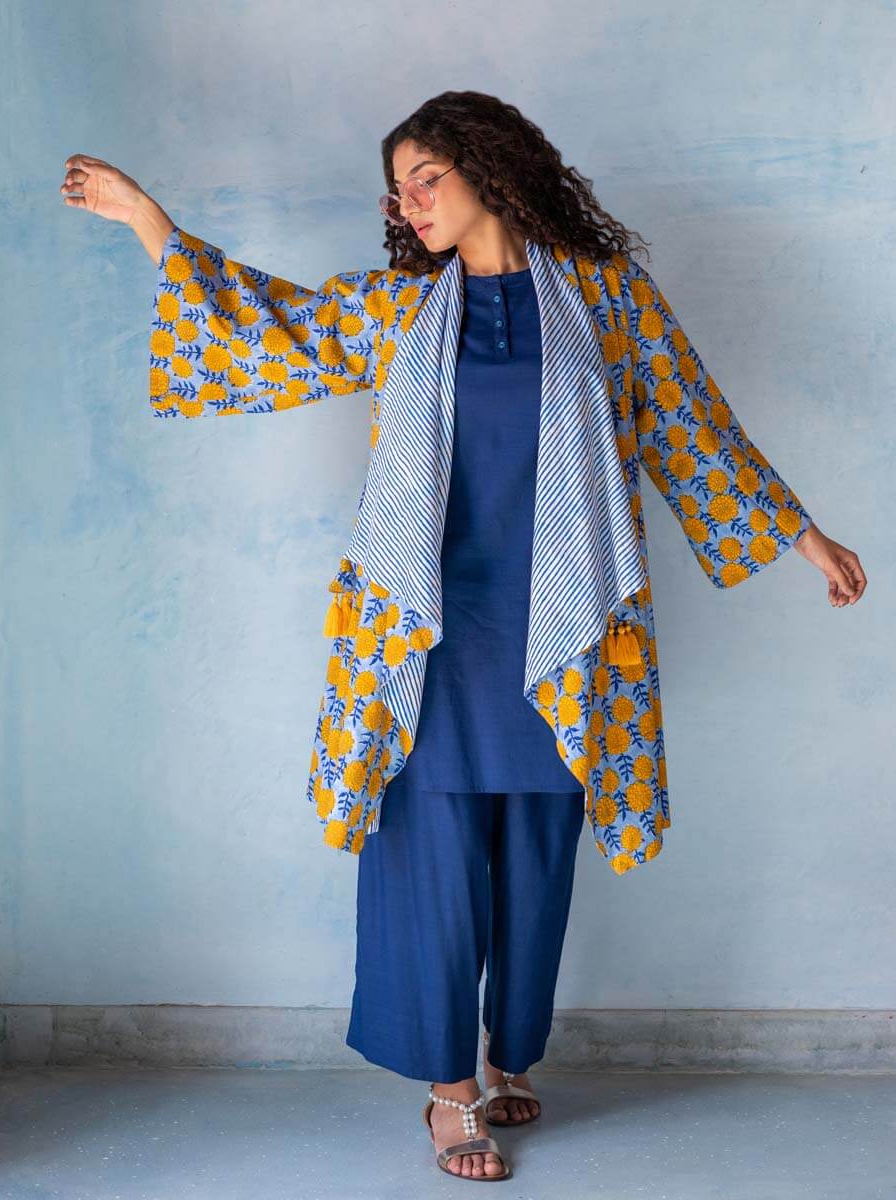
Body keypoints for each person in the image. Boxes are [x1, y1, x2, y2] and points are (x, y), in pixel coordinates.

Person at [60, 89, 866, 1184]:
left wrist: (803, 536)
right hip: (428, 636)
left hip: (564, 633)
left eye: (427, 177)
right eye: (399, 190)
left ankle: (506, 1055)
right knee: (432, 864)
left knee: (537, 861)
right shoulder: (399, 308)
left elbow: (690, 420)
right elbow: (268, 328)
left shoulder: (607, 296)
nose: (411, 203)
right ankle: (449, 1091)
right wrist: (149, 221)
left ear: (491, 166)